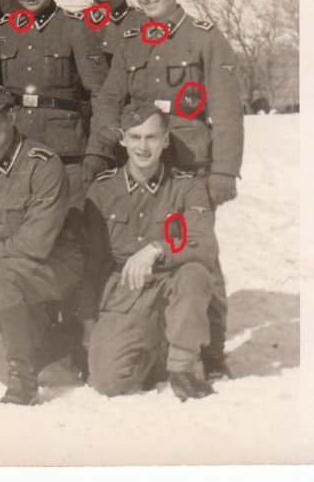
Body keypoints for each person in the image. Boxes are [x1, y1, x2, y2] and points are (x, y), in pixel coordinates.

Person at [87, 0, 244, 380]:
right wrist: (105, 143)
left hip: (191, 167)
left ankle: (209, 348)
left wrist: (224, 171)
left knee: (199, 255)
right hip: (143, 163)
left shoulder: (204, 37)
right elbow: (109, 99)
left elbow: (227, 111)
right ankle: (153, 336)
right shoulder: (131, 40)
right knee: (145, 245)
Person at [0, 84, 83, 405]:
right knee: (2, 366)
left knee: (1, 279)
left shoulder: (43, 163)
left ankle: (23, 381)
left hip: (53, 263)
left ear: (11, 116)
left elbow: (35, 242)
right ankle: (57, 335)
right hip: (4, 266)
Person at [83, 102, 218, 401]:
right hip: (125, 293)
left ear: (165, 140)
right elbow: (91, 262)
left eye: (151, 137)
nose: (142, 147)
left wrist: (158, 248)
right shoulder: (102, 190)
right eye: (135, 137)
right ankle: (158, 348)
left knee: (194, 272)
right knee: (107, 382)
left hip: (172, 286)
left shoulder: (187, 187)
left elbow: (204, 242)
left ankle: (182, 367)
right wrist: (88, 321)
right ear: (122, 139)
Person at [0, 0, 109, 201]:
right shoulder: (4, 30)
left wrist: (97, 151)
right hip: (17, 148)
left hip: (65, 151)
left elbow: (101, 95)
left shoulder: (75, 27)